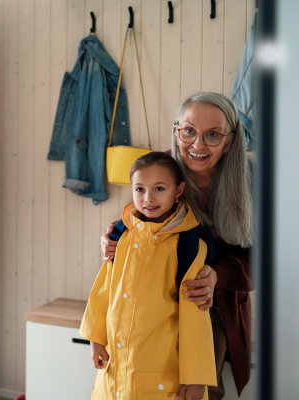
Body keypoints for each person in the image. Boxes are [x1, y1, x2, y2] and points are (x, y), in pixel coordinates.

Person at [100, 92, 253, 399]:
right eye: (189, 131)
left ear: (230, 140)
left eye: (213, 135)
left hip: (208, 303)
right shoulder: (161, 169)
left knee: (200, 386)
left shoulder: (254, 180)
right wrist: (114, 236)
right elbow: (135, 219)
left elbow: (272, 260)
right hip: (154, 302)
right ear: (176, 130)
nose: (197, 144)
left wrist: (216, 275)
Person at [80, 151, 217, 400]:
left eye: (159, 188)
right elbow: (104, 290)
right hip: (114, 374)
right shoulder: (121, 235)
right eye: (139, 189)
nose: (148, 198)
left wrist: (197, 378)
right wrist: (95, 338)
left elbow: (196, 316)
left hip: (162, 378)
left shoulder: (188, 245)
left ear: (178, 190)